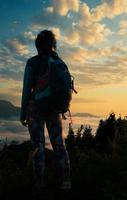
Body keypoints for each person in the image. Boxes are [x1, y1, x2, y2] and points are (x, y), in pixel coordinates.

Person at [20, 30, 71, 193]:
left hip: (35, 109)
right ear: (53, 44)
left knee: (38, 145)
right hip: (54, 109)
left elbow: (27, 89)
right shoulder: (59, 62)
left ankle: (39, 183)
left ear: (37, 45)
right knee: (59, 145)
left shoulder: (32, 63)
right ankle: (65, 181)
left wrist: (23, 113)